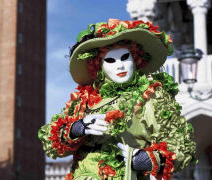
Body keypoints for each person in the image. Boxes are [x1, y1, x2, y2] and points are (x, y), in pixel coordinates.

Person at [39, 19, 196, 180]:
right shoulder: (84, 99)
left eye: (124, 58)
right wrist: (77, 128)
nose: (119, 66)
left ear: (135, 58)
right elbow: (51, 144)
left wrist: (147, 160)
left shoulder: (150, 97)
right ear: (98, 65)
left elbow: (181, 148)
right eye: (110, 60)